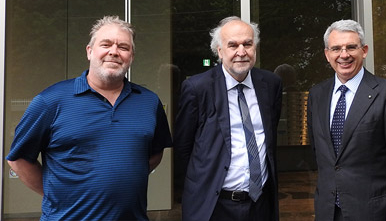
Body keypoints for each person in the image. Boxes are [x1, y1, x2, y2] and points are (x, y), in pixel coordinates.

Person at [6, 16, 172, 221]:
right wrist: (58, 195)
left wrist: (125, 174)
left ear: (131, 56)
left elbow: (156, 152)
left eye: (123, 47)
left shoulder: (149, 102)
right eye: (106, 44)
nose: (114, 52)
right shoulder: (51, 101)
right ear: (89, 51)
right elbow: (18, 159)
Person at [307, 19, 386, 221]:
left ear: (364, 51)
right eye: (336, 48)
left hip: (374, 213)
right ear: (327, 54)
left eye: (351, 47)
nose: (344, 55)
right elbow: (321, 155)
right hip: (328, 212)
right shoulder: (317, 95)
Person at [174, 16, 282, 221]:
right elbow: (183, 148)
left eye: (247, 44)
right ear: (219, 50)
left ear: (255, 48)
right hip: (215, 206)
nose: (241, 52)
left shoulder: (271, 84)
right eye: (232, 45)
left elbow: (269, 137)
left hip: (260, 205)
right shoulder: (197, 88)